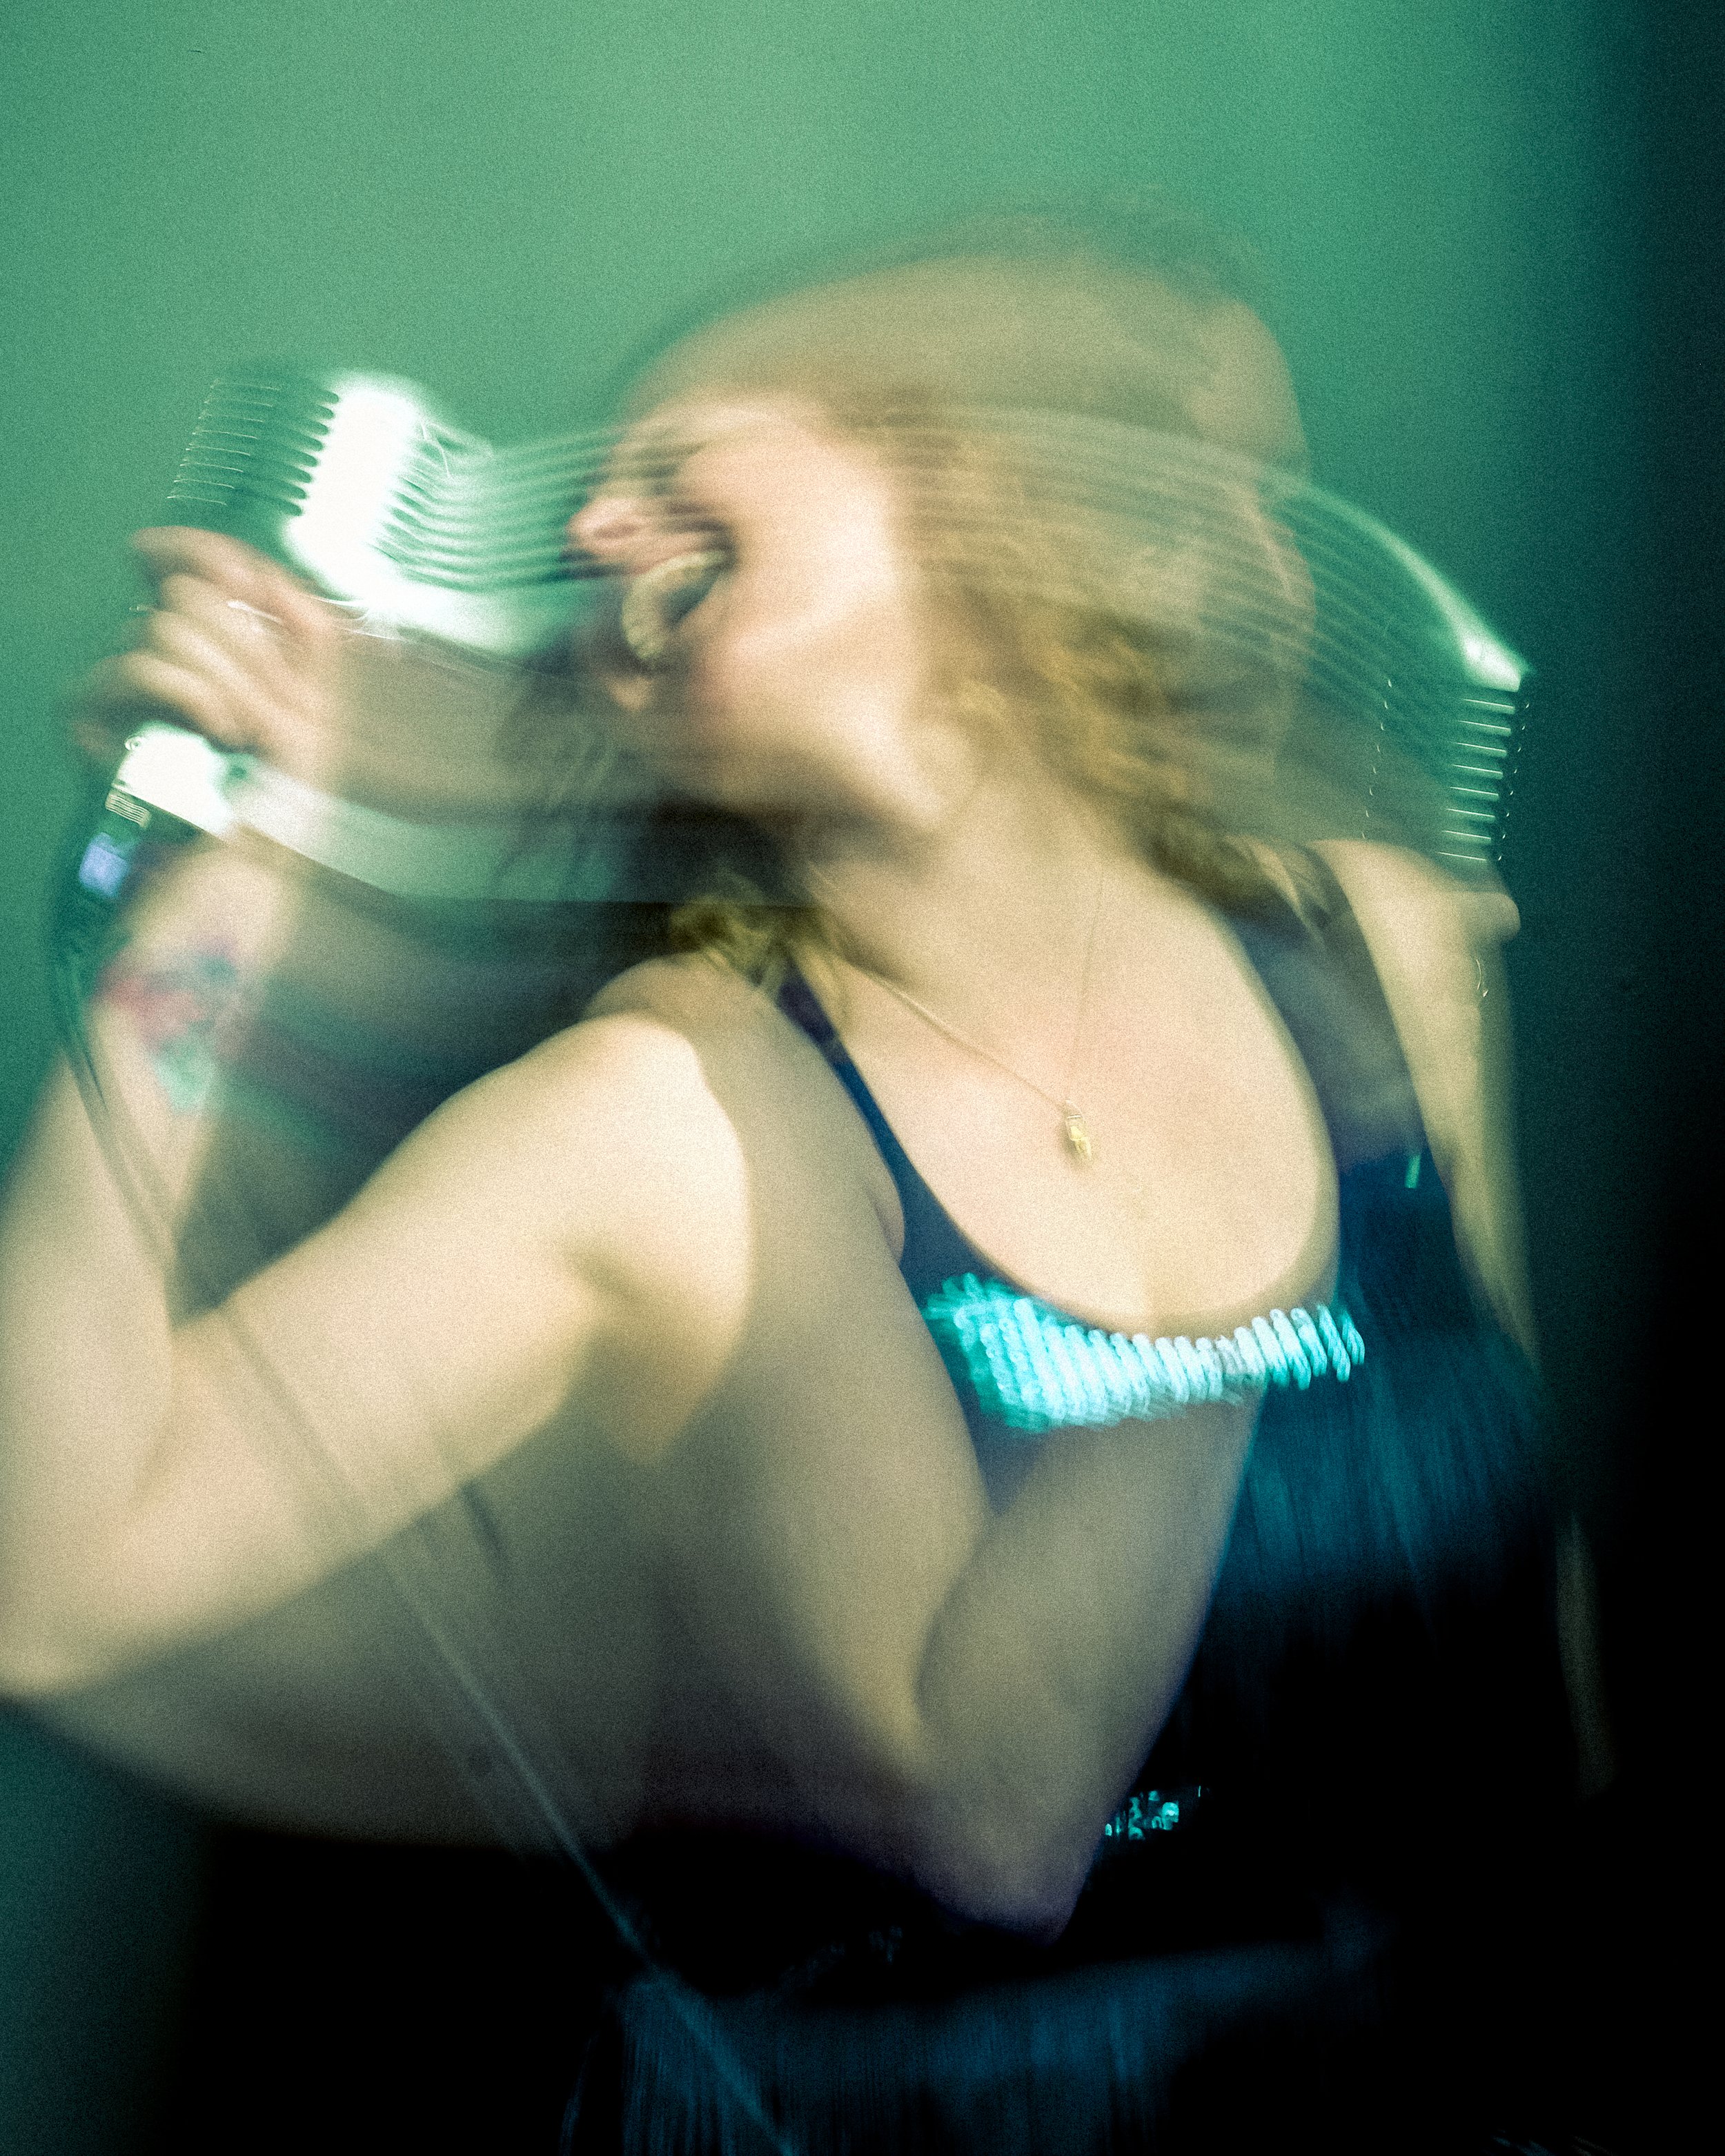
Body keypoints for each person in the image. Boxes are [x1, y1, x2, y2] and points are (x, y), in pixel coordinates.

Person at [0, 212, 1590, 2148]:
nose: (593, 529)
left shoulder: (1379, 961)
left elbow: (1531, 1637)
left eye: (677, 460)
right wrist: (221, 877)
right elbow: (57, 1585)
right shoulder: (670, 1123)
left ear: (982, 489)